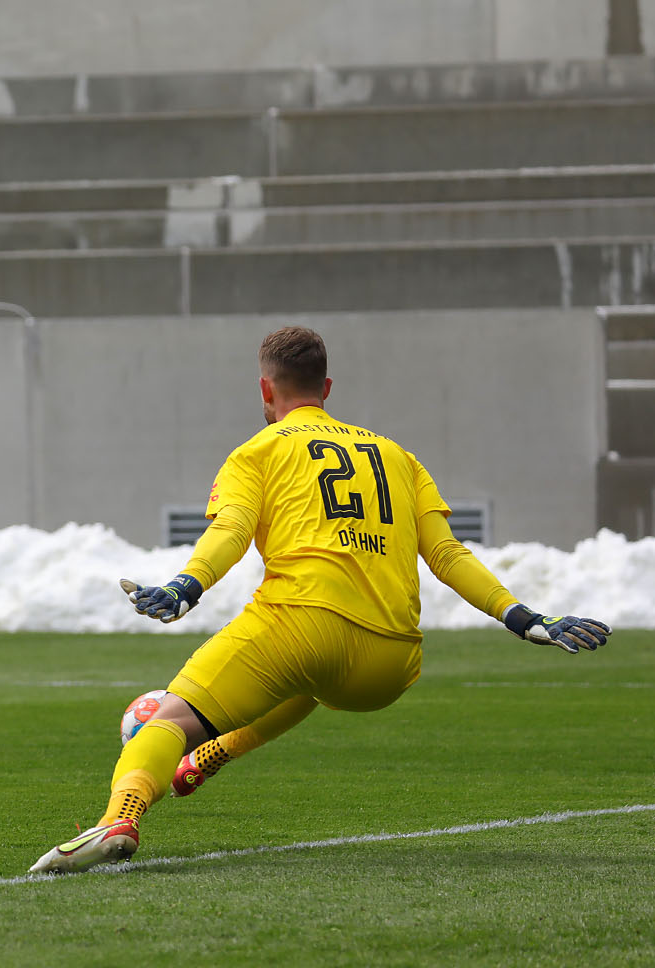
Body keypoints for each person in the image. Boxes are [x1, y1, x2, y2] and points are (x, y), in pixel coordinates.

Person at [31, 325, 611, 874]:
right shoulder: (398, 457)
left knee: (171, 718)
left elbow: (229, 531)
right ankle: (212, 757)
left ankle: (119, 820)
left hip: (300, 627)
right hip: (389, 664)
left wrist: (188, 586)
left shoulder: (256, 452)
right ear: (326, 389)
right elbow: (447, 555)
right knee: (305, 679)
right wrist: (523, 616)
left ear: (266, 388)